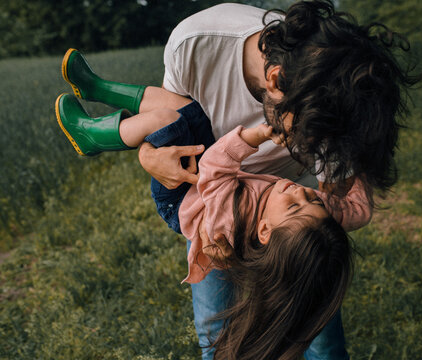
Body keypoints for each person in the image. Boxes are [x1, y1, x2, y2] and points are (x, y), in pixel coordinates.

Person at [58, 0, 422, 357]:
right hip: (209, 190)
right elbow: (172, 125)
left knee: (314, 317)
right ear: (276, 81)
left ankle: (95, 115)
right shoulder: (196, 45)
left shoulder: (337, 105)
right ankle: (97, 96)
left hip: (223, 204)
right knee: (215, 326)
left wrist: (357, 169)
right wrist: (148, 155)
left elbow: (337, 205)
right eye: (311, 138)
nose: (301, 189)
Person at [54, 81, 371, 358]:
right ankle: (97, 89)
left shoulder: (226, 218)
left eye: (295, 205)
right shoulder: (310, 218)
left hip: (182, 198)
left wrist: (251, 138)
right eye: (312, 198)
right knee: (185, 110)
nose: (302, 193)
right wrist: (361, 154)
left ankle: (94, 135)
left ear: (264, 230)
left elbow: (215, 168)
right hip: (234, 212)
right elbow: (354, 210)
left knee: (168, 120)